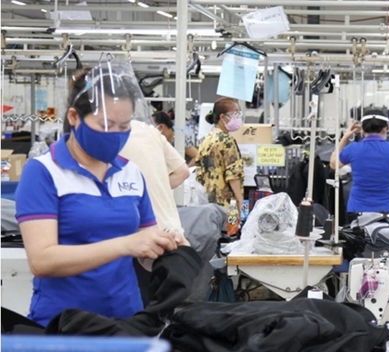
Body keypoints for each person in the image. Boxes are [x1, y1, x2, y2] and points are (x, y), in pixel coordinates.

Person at [14, 62, 180, 326]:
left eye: (124, 126)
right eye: (106, 124)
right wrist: (124, 245)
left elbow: (143, 250)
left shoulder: (131, 173)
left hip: (125, 322)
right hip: (65, 326)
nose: (115, 135)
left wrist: (167, 247)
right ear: (74, 117)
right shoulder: (44, 172)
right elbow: (42, 260)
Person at [329, 108, 389, 213]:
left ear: (362, 129)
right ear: (385, 129)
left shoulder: (353, 148)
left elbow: (333, 164)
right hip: (387, 210)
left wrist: (345, 137)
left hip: (357, 209)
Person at [120, 118, 190, 233]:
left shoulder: (107, 136)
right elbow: (183, 171)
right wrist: (158, 185)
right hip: (171, 227)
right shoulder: (150, 131)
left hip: (141, 233)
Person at [197, 97, 244, 210]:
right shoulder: (227, 141)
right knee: (230, 227)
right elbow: (233, 175)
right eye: (235, 115)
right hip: (227, 205)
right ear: (222, 117)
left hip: (207, 204)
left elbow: (199, 172)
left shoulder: (205, 139)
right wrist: (240, 200)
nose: (238, 118)